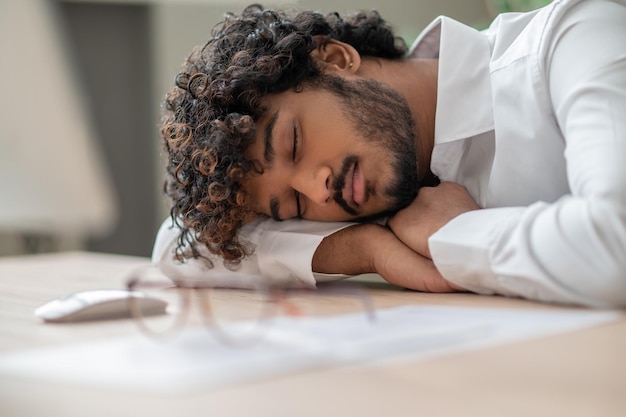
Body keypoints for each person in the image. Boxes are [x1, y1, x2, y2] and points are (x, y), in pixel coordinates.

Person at [153, 0, 626, 308]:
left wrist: (457, 233)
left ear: (337, 60)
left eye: (293, 144)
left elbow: (617, 248)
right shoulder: (379, 197)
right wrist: (365, 249)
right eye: (293, 207)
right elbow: (176, 246)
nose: (318, 192)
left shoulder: (571, 40)